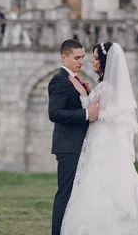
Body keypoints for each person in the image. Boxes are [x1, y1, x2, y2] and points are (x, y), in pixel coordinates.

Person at [60, 42, 138, 235]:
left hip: (101, 141)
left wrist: (84, 93)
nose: (91, 60)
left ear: (103, 61)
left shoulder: (106, 87)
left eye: (95, 57)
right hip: (106, 139)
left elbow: (93, 113)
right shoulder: (108, 86)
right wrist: (91, 93)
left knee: (98, 181)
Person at [48, 39, 100, 235]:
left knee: (78, 194)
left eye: (82, 57)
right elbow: (54, 113)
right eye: (76, 58)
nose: (80, 62)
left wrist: (85, 94)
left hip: (80, 145)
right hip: (68, 146)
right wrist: (87, 114)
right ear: (64, 57)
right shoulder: (59, 80)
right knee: (65, 194)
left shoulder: (77, 80)